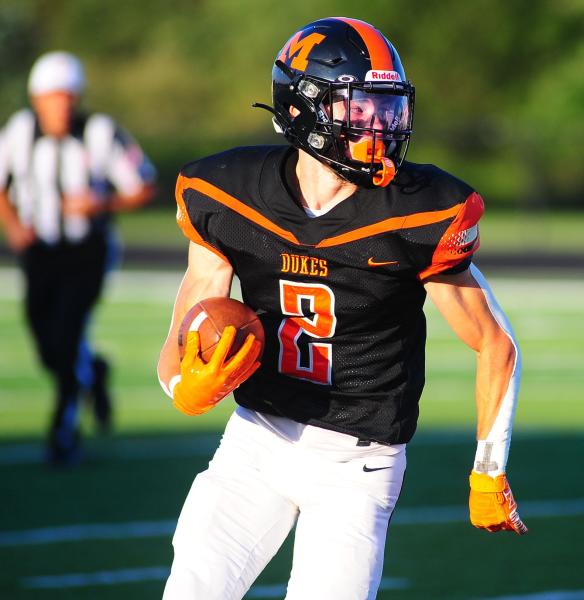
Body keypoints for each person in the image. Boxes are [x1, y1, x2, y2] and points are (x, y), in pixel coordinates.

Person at [156, 17, 526, 600]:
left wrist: (489, 468)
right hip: (256, 442)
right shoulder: (228, 194)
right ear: (304, 109)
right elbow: (189, 323)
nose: (380, 128)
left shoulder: (415, 213)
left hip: (360, 465)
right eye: (360, 110)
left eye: (387, 110)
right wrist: (179, 383)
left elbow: (495, 345)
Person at [0, 51, 156, 465]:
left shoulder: (100, 132)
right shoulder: (19, 131)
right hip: (40, 252)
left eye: (68, 97)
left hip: (87, 253)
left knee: (67, 337)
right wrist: (14, 227)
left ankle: (63, 430)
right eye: (53, 97)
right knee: (46, 343)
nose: (61, 105)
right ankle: (95, 371)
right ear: (36, 99)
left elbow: (143, 185)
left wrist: (100, 203)